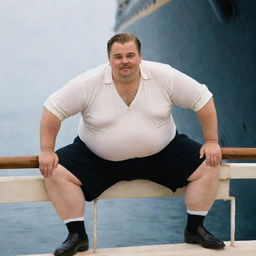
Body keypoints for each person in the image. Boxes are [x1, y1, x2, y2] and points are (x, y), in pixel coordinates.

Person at [39, 33, 225, 256]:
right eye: (118, 56)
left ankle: (195, 228)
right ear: (109, 59)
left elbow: (202, 99)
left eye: (130, 55)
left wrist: (212, 141)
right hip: (97, 158)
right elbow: (53, 109)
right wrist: (47, 150)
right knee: (54, 170)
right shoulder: (87, 83)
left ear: (140, 56)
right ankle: (77, 235)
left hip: (163, 154)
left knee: (210, 162)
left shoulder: (164, 75)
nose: (125, 61)